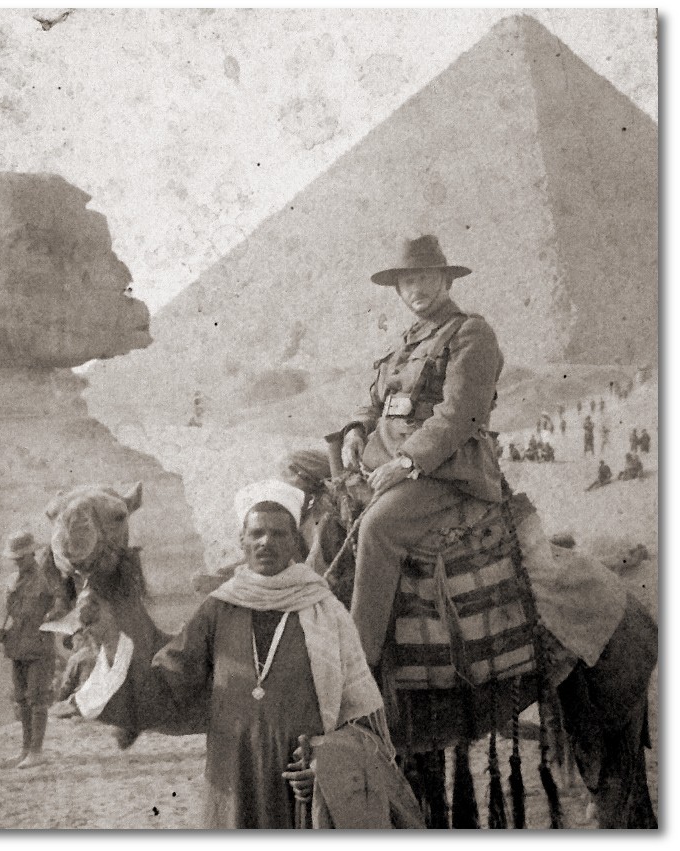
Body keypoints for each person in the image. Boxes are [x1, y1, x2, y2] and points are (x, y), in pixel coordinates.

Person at [84, 480, 421, 828]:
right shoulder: (217, 610)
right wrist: (111, 639)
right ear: (241, 542)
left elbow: (362, 720)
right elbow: (168, 684)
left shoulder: (327, 611)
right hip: (233, 779)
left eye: (278, 534)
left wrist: (325, 768)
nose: (266, 542)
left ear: (295, 542)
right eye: (257, 533)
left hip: (302, 784)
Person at [336, 235, 503, 666]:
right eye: (406, 281)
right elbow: (376, 400)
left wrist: (407, 464)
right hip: (385, 455)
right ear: (397, 289)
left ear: (446, 280)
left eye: (425, 277)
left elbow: (460, 415)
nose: (416, 289)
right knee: (309, 482)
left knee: (378, 529)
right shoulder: (406, 342)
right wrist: (356, 428)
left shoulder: (471, 333)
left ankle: (359, 666)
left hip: (447, 469)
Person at [0, 531, 64, 768]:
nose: (17, 562)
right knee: (22, 699)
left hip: (39, 647)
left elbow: (62, 602)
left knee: (37, 699)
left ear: (31, 554)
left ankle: (36, 751)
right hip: (17, 647)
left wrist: (51, 616)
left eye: (20, 558)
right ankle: (26, 749)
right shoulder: (12, 580)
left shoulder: (46, 578)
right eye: (14, 559)